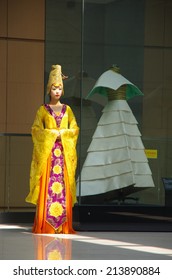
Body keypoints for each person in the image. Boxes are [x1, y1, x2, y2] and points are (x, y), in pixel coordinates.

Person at [25, 64, 79, 234]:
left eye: (60, 88)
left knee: (62, 185)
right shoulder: (42, 110)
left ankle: (63, 225)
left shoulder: (68, 110)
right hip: (49, 155)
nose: (57, 91)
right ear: (49, 89)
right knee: (48, 185)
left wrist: (62, 133)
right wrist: (50, 134)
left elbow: (75, 129)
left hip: (63, 154)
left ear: (62, 91)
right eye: (54, 88)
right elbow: (35, 130)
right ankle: (46, 224)